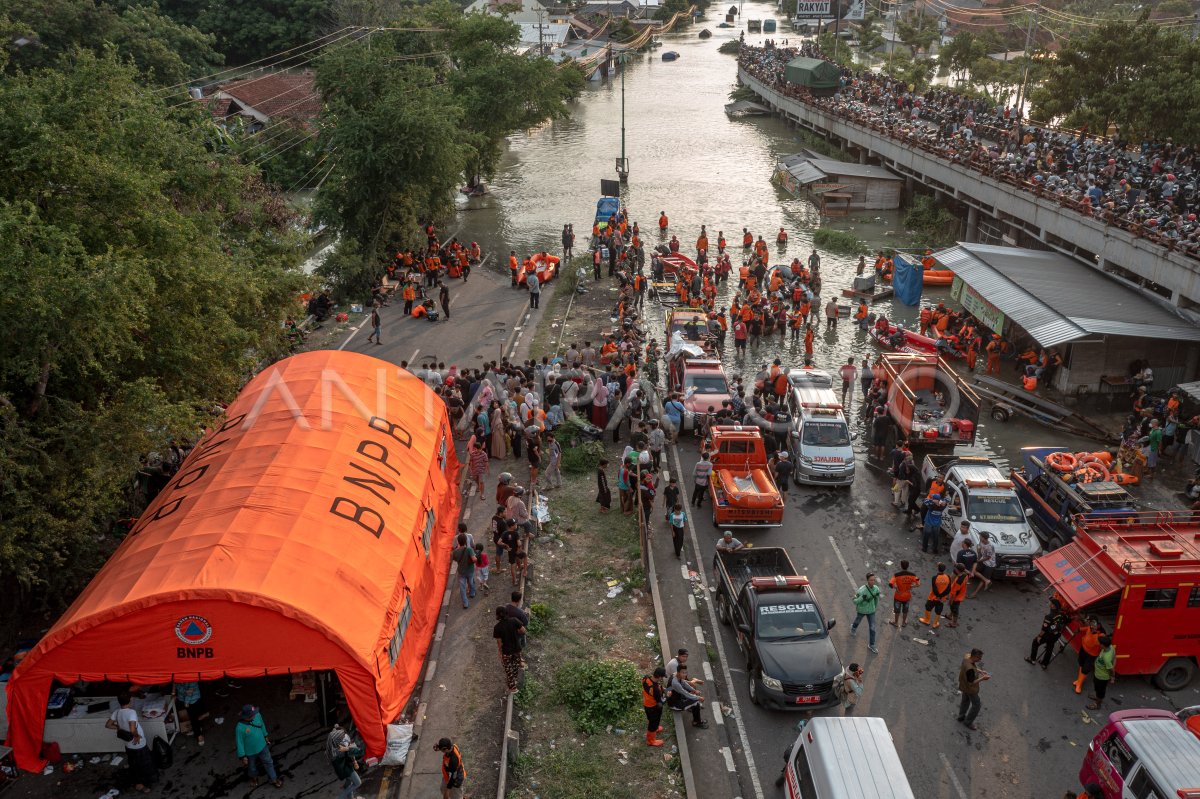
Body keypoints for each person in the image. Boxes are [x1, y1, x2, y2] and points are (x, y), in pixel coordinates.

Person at [105, 691, 157, 793]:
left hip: (128, 744)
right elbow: (132, 729)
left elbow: (108, 725)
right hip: (138, 745)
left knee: (133, 763)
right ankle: (143, 784)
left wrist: (118, 727)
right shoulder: (131, 712)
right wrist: (136, 736)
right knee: (143, 764)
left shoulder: (117, 712)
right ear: (130, 700)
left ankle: (138, 782)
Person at [236, 704, 283, 788]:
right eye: (253, 714)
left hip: (263, 746)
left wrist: (265, 735)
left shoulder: (257, 715)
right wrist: (242, 756)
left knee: (268, 762)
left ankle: (274, 779)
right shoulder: (239, 728)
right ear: (247, 716)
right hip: (250, 752)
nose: (255, 714)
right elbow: (239, 742)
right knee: (252, 767)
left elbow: (262, 725)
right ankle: (254, 779)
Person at [1026, 597, 1069, 669]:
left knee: (1035, 642)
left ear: (1053, 606)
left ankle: (1032, 659)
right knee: (1050, 648)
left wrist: (1039, 636)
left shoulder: (1049, 617)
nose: (1050, 604)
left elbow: (1044, 629)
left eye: (1051, 603)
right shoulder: (1062, 614)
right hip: (1056, 635)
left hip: (1048, 635)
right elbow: (1067, 620)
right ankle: (1044, 664)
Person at [327, 722, 364, 799]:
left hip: (342, 765)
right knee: (357, 782)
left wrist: (354, 761)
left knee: (349, 781)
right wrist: (349, 750)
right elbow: (356, 751)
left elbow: (349, 749)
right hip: (344, 767)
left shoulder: (334, 742)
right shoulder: (340, 743)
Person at [494, 605, 525, 693]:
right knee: (515, 665)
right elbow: (523, 630)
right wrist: (516, 633)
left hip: (507, 652)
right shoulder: (514, 620)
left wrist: (500, 652)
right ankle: (514, 680)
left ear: (497, 615)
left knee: (508, 669)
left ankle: (513, 688)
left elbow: (499, 642)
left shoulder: (497, 627)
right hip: (517, 649)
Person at [956, 648, 989, 731]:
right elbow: (972, 682)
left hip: (963, 685)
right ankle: (968, 722)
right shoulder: (970, 669)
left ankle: (961, 716)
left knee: (965, 700)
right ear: (974, 656)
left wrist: (980, 671)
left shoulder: (967, 657)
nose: (980, 660)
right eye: (979, 658)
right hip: (970, 688)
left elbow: (972, 666)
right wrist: (983, 678)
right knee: (977, 705)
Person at [667, 663, 708, 728]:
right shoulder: (675, 683)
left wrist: (694, 691)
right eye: (683, 673)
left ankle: (691, 707)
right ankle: (696, 722)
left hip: (676, 697)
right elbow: (686, 694)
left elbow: (684, 683)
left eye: (686, 672)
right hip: (675, 704)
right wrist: (699, 698)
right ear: (678, 672)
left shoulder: (675, 675)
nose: (685, 674)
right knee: (696, 702)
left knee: (693, 695)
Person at [850, 573, 882, 654]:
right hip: (862, 610)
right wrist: (861, 598)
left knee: (873, 628)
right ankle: (853, 628)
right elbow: (855, 601)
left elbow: (876, 599)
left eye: (874, 580)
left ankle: (872, 645)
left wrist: (874, 607)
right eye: (871, 580)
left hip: (871, 611)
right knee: (857, 621)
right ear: (867, 580)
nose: (873, 581)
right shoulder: (861, 590)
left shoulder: (876, 589)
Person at [1073, 617, 1104, 694]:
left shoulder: (1101, 634)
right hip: (1083, 649)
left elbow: (1096, 643)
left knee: (1085, 669)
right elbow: (1085, 629)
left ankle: (1079, 684)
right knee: (1081, 664)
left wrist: (1094, 633)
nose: (1090, 625)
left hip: (1091, 654)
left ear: (1098, 625)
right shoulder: (1090, 627)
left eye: (1092, 623)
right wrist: (1079, 629)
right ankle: (1079, 680)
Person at [918, 563, 951, 628]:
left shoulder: (935, 578)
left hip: (933, 597)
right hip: (941, 599)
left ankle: (927, 620)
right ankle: (935, 623)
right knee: (939, 610)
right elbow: (948, 589)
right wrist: (941, 597)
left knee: (928, 607)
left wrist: (938, 596)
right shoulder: (948, 577)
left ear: (938, 569)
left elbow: (935, 589)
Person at [175, 680, 207, 747]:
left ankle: (199, 735)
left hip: (193, 699)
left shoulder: (191, 677)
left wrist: (186, 701)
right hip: (182, 698)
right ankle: (197, 727)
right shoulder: (177, 676)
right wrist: (185, 691)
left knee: (193, 717)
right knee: (192, 716)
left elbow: (191, 690)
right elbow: (177, 686)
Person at [888, 561, 920, 628]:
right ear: (908, 566)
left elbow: (890, 584)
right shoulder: (913, 575)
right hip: (907, 596)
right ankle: (903, 623)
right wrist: (912, 586)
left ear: (901, 566)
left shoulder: (896, 575)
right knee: (905, 610)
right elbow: (918, 583)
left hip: (898, 596)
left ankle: (896, 622)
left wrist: (896, 587)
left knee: (897, 610)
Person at [1089, 636, 1116, 710]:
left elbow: (1112, 670)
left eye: (1099, 643)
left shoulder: (1106, 658)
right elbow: (1114, 658)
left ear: (1103, 645)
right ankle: (1097, 696)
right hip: (1097, 674)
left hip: (1101, 677)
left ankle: (1097, 704)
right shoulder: (1110, 647)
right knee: (1097, 688)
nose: (1098, 644)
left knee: (1100, 691)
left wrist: (1112, 677)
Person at [642, 667, 667, 747]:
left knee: (651, 720)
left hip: (646, 704)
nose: (662, 678)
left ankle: (655, 728)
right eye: (662, 677)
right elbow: (661, 702)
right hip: (654, 708)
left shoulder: (646, 678)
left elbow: (652, 688)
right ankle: (651, 741)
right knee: (653, 723)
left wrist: (661, 689)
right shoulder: (655, 690)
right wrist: (668, 696)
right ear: (659, 677)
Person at [452, 533, 477, 609]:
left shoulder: (455, 552)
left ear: (458, 542)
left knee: (462, 588)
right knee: (471, 581)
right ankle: (472, 593)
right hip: (470, 570)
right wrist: (476, 557)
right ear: (466, 541)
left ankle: (465, 603)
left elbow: (455, 559)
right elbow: (474, 559)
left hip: (461, 571)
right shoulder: (469, 550)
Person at [970, 532, 996, 596]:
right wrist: (978, 559)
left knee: (982, 580)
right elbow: (980, 552)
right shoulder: (981, 542)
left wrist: (979, 561)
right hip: (983, 561)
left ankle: (974, 593)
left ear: (983, 538)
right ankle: (987, 581)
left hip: (990, 564)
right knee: (973, 570)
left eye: (980, 536)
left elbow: (988, 557)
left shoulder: (990, 546)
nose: (979, 537)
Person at [946, 563, 970, 628]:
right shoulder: (965, 575)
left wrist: (950, 601)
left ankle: (954, 623)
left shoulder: (958, 581)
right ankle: (950, 616)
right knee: (953, 608)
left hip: (956, 598)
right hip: (961, 595)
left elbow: (954, 593)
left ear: (957, 570)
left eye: (955, 568)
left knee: (955, 610)